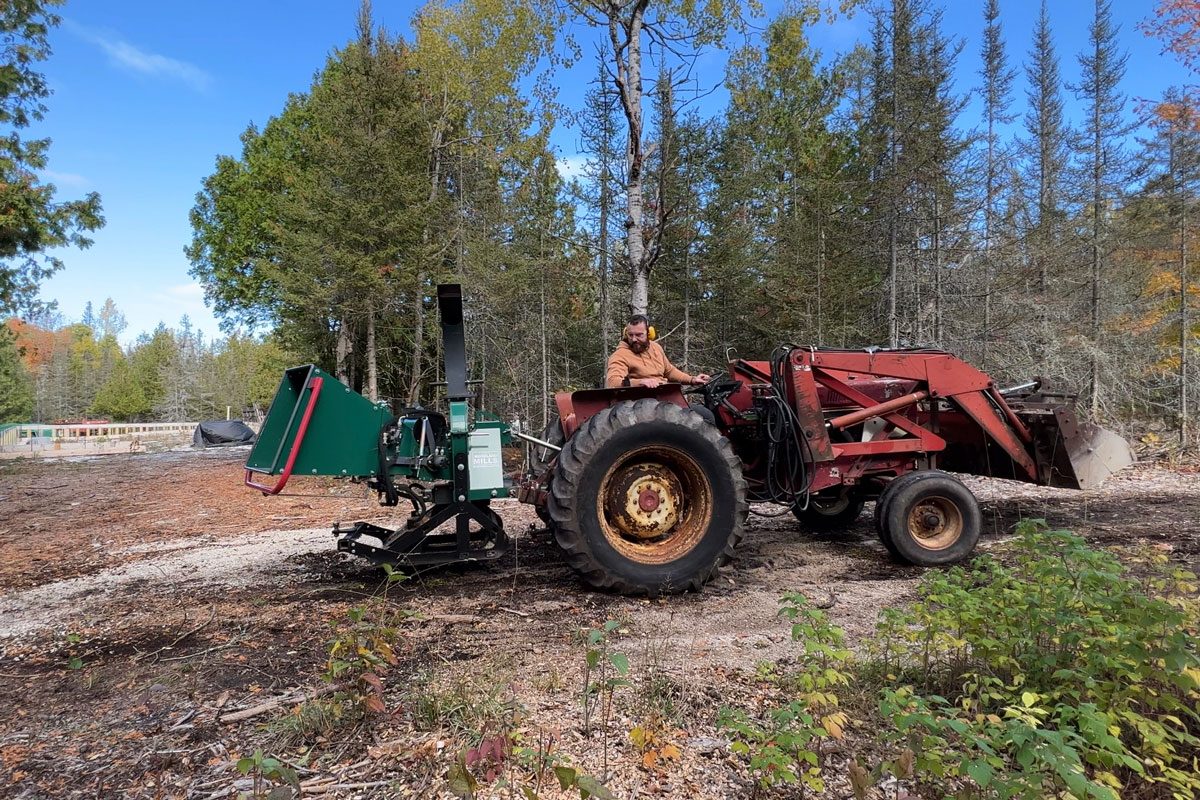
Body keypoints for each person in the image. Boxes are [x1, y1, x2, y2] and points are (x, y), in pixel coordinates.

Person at [605, 314, 711, 389]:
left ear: (649, 333)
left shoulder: (656, 347)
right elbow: (613, 382)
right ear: (625, 333)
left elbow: (669, 371)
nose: (633, 339)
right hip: (640, 401)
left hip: (661, 395)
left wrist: (692, 380)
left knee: (704, 413)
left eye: (639, 335)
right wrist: (641, 382)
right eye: (630, 335)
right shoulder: (620, 355)